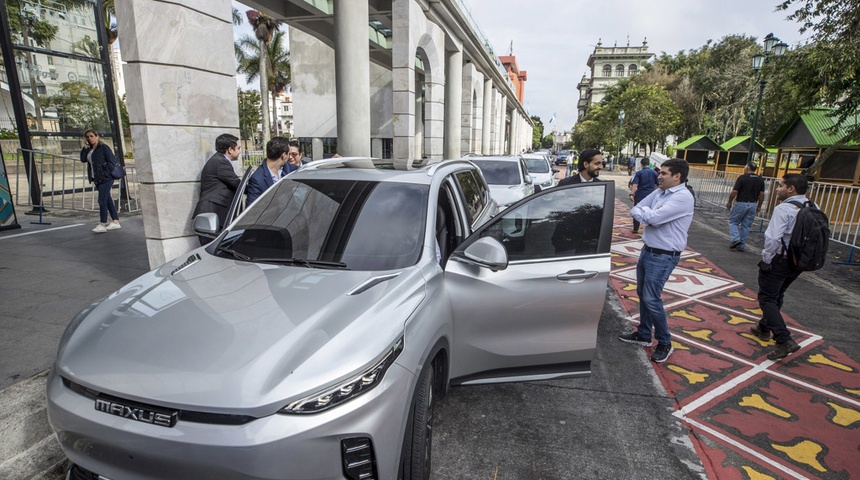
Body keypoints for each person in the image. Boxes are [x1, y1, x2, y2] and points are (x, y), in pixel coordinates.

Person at [619, 159, 694, 363]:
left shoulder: (682, 197)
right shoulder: (660, 192)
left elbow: (653, 219)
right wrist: (648, 213)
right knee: (643, 294)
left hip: (663, 255)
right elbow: (637, 208)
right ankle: (644, 334)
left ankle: (664, 342)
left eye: (664, 173)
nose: (659, 176)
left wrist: (648, 214)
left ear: (677, 176)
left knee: (652, 298)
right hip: (648, 250)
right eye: (660, 172)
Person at [749, 174, 809, 361]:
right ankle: (764, 327)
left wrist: (767, 259)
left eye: (781, 185)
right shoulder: (811, 206)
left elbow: (773, 237)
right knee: (778, 294)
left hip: (780, 259)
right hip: (798, 261)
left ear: (791, 189)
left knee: (767, 298)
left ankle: (784, 339)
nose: (777, 189)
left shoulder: (784, 208)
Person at [192, 133, 242, 243]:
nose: (240, 151)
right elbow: (238, 184)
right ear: (230, 149)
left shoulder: (218, 160)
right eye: (238, 148)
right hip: (211, 215)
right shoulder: (220, 163)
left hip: (212, 215)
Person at [80, 130, 120, 233]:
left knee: (102, 200)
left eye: (92, 136)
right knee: (107, 199)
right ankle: (115, 221)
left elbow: (112, 161)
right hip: (96, 178)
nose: (90, 138)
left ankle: (103, 223)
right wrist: (84, 148)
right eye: (87, 137)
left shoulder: (103, 148)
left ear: (97, 136)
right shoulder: (89, 150)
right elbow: (83, 159)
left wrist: (106, 172)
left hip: (106, 178)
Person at [245, 137, 299, 206]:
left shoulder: (287, 168)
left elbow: (304, 169)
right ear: (284, 155)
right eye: (288, 154)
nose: (289, 157)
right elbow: (252, 209)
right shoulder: (257, 179)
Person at [725, 162, 765, 252]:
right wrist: (759, 206)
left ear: (747, 168)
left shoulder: (742, 178)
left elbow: (735, 191)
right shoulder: (760, 179)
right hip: (753, 203)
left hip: (741, 202)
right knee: (746, 225)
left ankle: (735, 239)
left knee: (733, 222)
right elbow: (761, 195)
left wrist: (729, 201)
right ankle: (741, 244)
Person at [629, 157, 659, 234]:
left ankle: (635, 229)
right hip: (651, 195)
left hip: (640, 194)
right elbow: (659, 184)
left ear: (641, 164)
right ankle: (649, 229)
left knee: (637, 211)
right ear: (649, 164)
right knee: (651, 213)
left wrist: (632, 194)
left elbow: (635, 184)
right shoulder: (654, 173)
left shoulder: (639, 173)